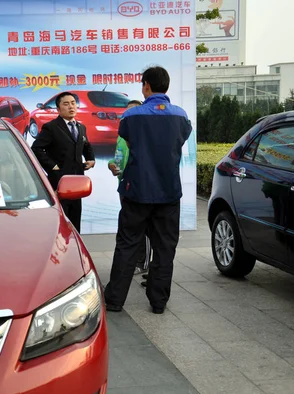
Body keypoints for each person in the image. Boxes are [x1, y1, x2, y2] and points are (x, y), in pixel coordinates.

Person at [103, 66, 192, 314]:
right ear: (167, 86)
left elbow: (128, 143)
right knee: (165, 247)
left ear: (146, 86)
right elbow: (181, 140)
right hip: (169, 191)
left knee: (128, 243)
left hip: (137, 190)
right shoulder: (181, 116)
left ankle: (115, 300)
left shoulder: (132, 117)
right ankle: (158, 301)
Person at [31, 92, 95, 233]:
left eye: (73, 103)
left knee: (75, 220)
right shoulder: (51, 127)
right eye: (66, 104)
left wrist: (91, 159)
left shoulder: (80, 127)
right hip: (59, 181)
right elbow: (36, 148)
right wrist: (52, 166)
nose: (71, 106)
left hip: (77, 182)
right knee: (60, 221)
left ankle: (75, 248)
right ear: (58, 109)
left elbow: (85, 145)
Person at [108, 99, 150, 276]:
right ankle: (134, 262)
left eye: (133, 111)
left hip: (140, 188)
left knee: (144, 228)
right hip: (124, 186)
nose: (128, 115)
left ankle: (144, 263)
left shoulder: (146, 135)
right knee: (130, 227)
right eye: (127, 112)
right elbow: (117, 159)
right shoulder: (122, 136)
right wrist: (112, 166)